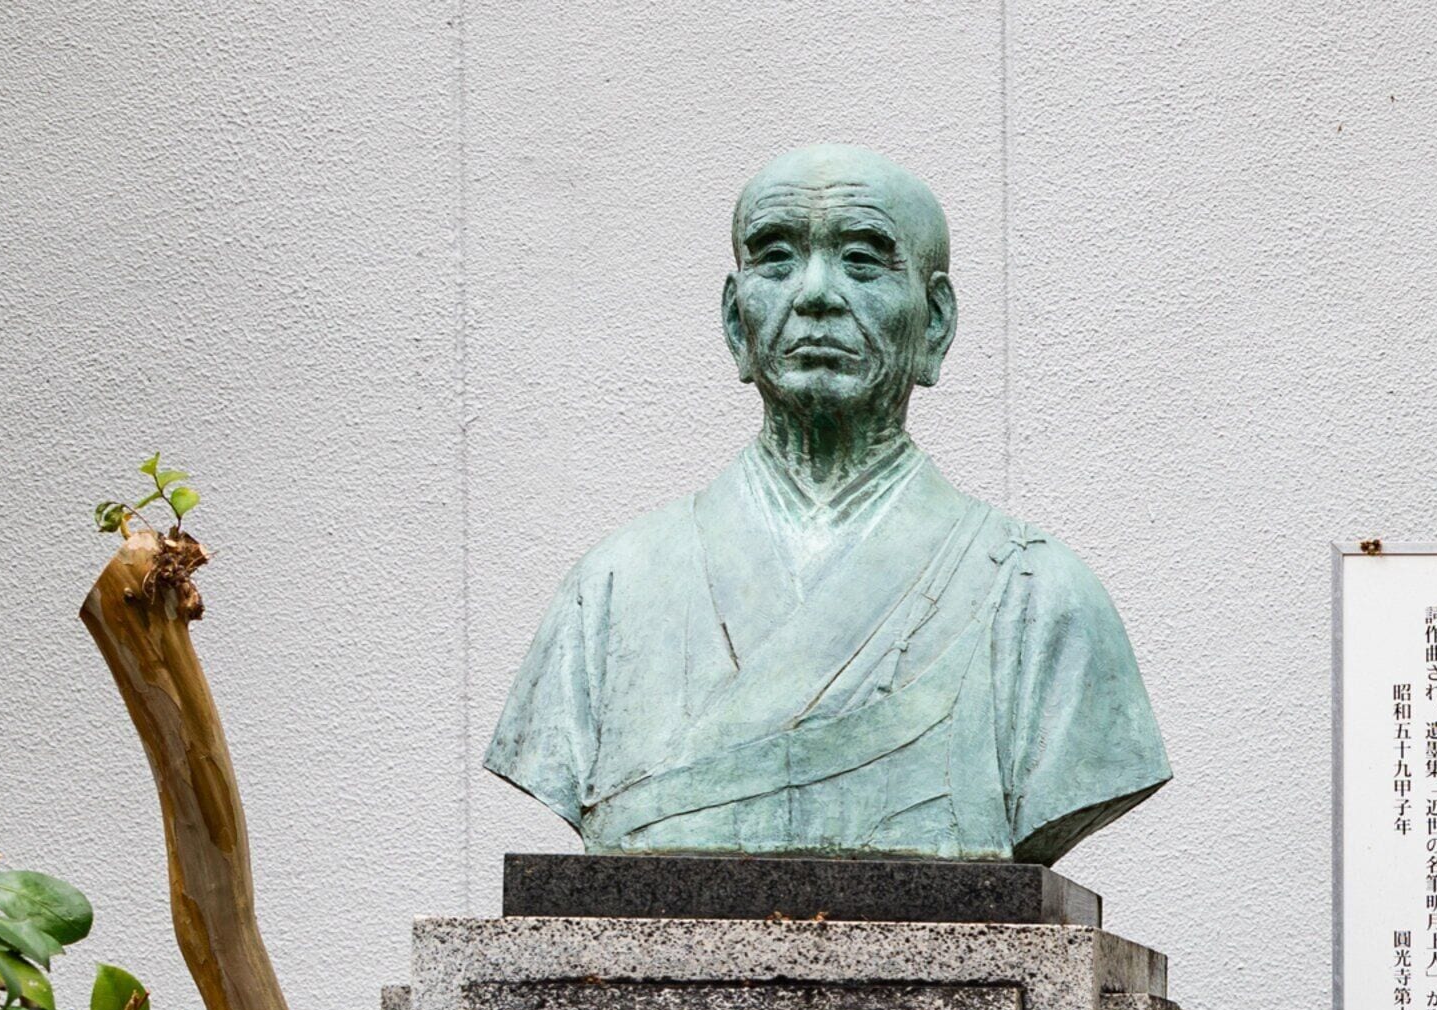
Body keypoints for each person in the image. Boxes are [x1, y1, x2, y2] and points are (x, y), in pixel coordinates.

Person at [485, 143, 1166, 862]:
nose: (815, 293)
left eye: (864, 260)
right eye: (776, 258)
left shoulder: (1040, 599)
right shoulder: (611, 591)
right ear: (733, 322)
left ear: (935, 323)